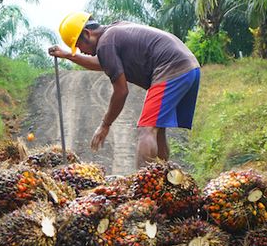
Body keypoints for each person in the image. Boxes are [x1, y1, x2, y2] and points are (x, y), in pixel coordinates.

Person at [48, 11, 200, 169]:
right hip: (189, 67)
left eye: (79, 45)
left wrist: (105, 125)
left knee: (146, 130)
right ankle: (165, 180)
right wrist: (68, 56)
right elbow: (103, 63)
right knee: (157, 128)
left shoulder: (106, 43)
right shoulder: (113, 32)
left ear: (87, 33)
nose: (80, 51)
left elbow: (121, 91)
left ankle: (143, 188)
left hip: (172, 69)